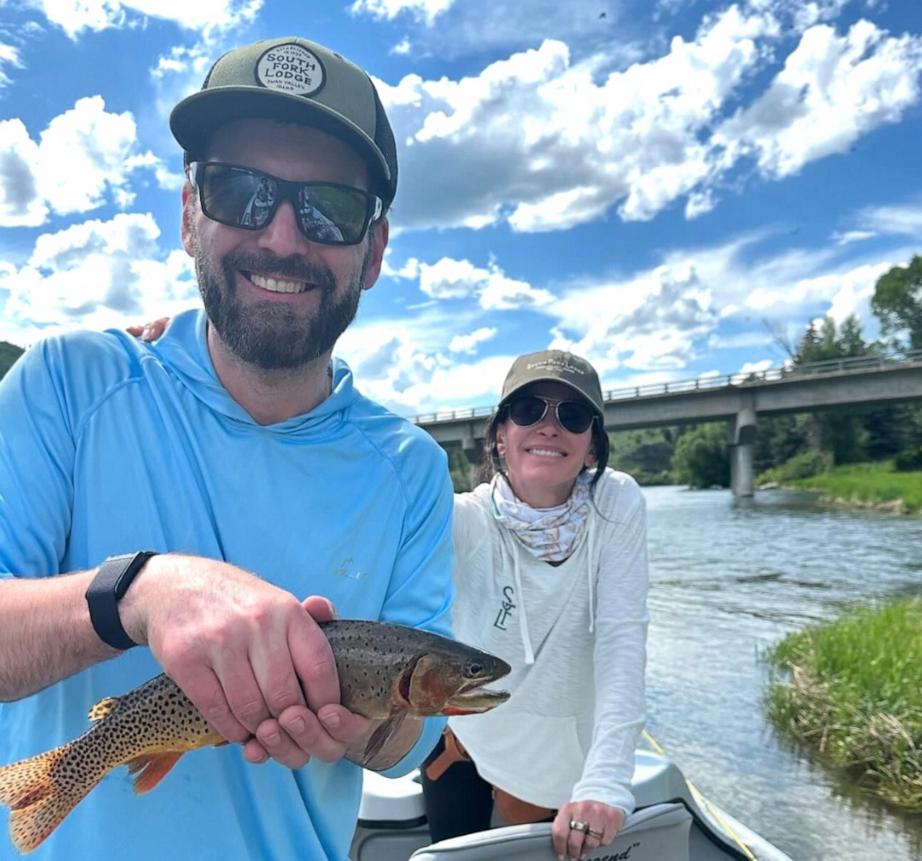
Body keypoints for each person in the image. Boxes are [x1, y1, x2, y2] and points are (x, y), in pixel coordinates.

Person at [0, 37, 454, 861]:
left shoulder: (412, 469)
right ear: (187, 214)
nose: (281, 235)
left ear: (375, 250)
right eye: (240, 191)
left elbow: (412, 747)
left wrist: (367, 726)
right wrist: (134, 592)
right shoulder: (65, 384)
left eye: (330, 208)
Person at [420, 350, 649, 861]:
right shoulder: (462, 518)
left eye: (572, 416)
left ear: (592, 447)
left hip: (562, 770)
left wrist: (607, 780)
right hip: (461, 746)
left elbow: (622, 640)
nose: (549, 427)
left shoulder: (618, 504)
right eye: (528, 410)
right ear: (501, 435)